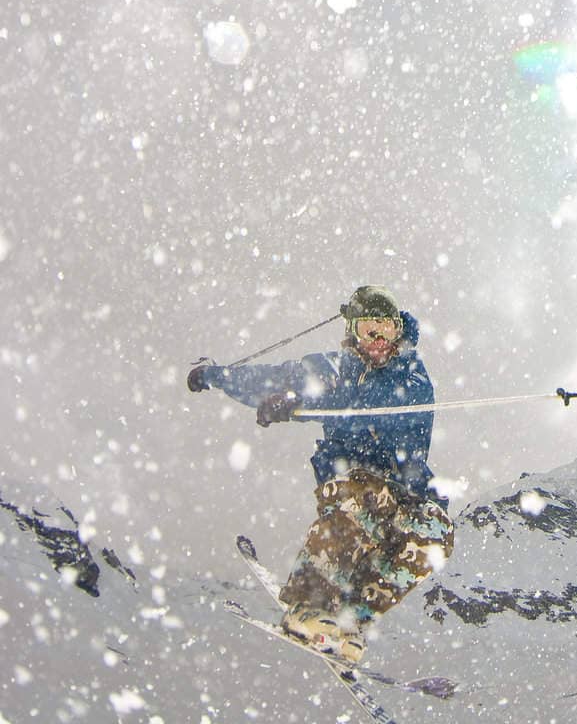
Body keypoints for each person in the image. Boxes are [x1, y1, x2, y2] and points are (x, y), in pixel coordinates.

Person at [187, 285, 454, 664]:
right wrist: (217, 376)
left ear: (399, 330)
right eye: (368, 330)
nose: (378, 340)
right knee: (365, 498)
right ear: (352, 332)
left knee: (434, 534)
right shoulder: (333, 370)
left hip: (404, 487)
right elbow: (275, 378)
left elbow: (372, 405)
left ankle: (352, 617)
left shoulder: (412, 378)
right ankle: (308, 605)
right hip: (352, 475)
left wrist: (303, 403)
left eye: (385, 329)